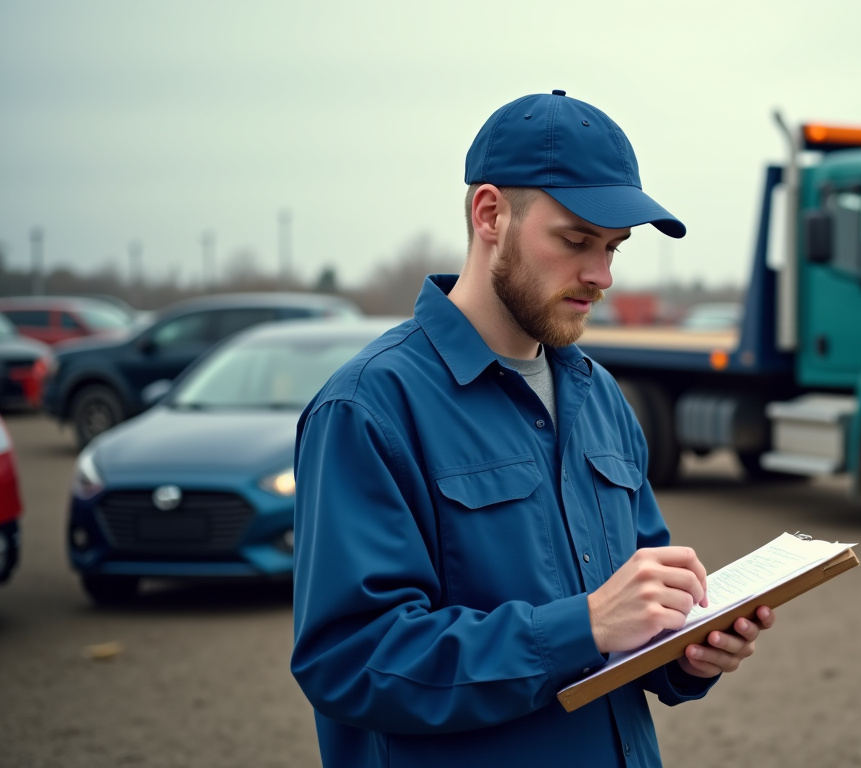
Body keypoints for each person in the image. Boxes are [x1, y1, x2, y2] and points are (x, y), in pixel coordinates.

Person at [291, 90, 774, 767]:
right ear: (490, 214)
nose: (601, 276)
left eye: (614, 248)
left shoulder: (601, 398)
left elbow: (635, 622)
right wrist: (584, 627)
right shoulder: (368, 408)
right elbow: (351, 661)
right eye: (575, 241)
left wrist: (687, 652)